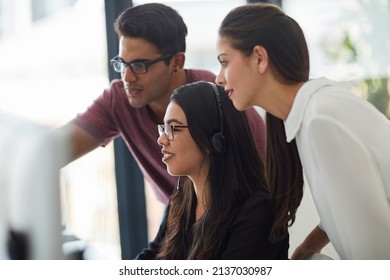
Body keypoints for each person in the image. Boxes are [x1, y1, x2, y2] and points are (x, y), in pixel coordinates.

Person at [215, 2, 390, 259]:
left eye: (225, 62)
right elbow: (345, 209)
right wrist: (306, 250)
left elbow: (375, 254)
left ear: (260, 58)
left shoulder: (320, 120)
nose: (219, 78)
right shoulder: (311, 115)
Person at [57, 3, 266, 205]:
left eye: (140, 65)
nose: (127, 77)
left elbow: (268, 171)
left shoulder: (218, 97)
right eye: (122, 64)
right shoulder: (119, 99)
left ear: (177, 63)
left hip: (235, 222)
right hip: (178, 224)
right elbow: (53, 150)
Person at [135, 81, 289, 259]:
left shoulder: (258, 212)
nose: (161, 140)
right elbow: (152, 256)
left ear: (211, 139)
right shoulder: (182, 198)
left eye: (173, 129)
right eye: (163, 128)